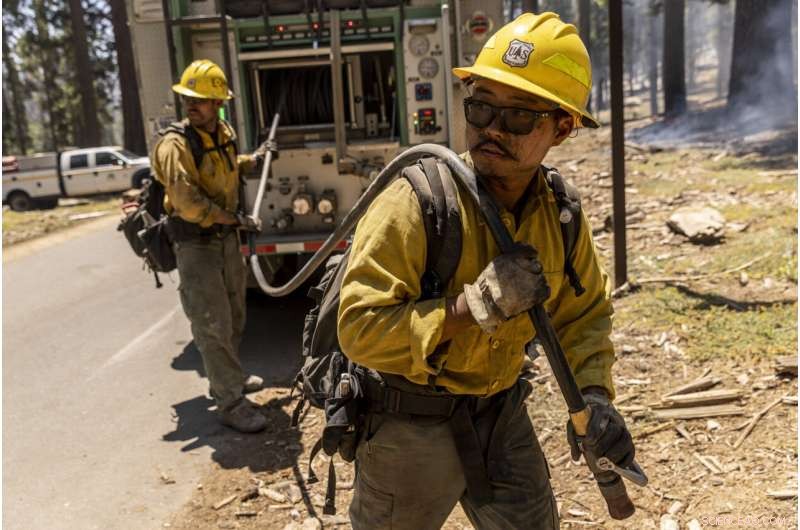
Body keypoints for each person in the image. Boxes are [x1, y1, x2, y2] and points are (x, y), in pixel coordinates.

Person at [337, 12, 636, 529]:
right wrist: (471, 307)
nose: (492, 129)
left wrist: (593, 395)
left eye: (518, 116)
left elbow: (583, 315)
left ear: (562, 127)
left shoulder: (559, 212)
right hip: (410, 423)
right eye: (480, 108)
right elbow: (359, 330)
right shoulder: (418, 203)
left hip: (501, 414)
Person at [151, 59, 270, 433]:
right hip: (196, 245)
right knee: (212, 323)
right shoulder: (174, 145)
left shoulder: (222, 132)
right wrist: (235, 220)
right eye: (188, 98)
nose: (192, 105)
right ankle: (230, 402)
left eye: (200, 99)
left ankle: (230, 376)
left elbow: (225, 166)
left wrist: (253, 160)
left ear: (218, 103)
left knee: (234, 314)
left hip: (225, 242)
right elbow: (187, 202)